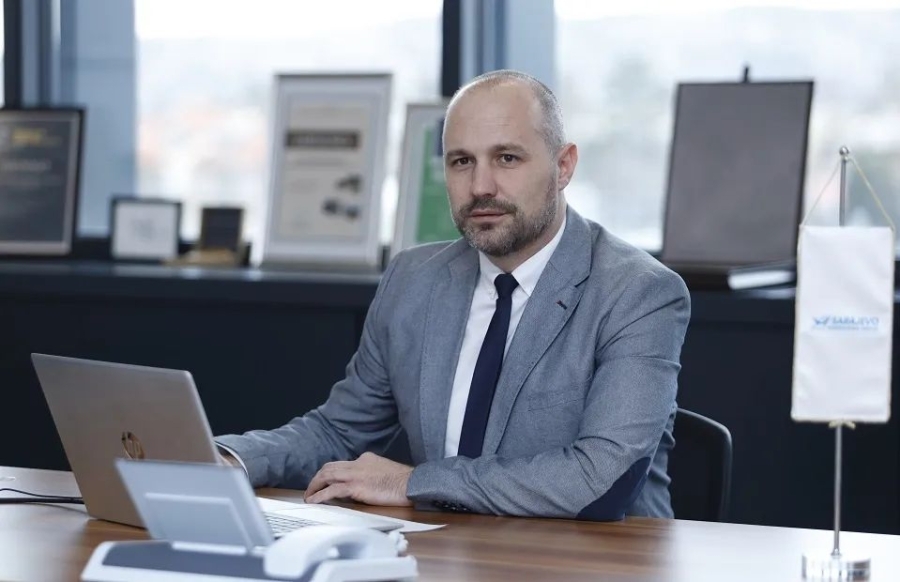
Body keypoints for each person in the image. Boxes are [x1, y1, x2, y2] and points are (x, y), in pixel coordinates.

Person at [217, 69, 690, 520]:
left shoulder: (638, 292)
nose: (480, 187)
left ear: (563, 166)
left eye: (507, 158)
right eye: (461, 161)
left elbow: (599, 479)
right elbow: (339, 431)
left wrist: (414, 483)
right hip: (444, 550)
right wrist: (226, 458)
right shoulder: (413, 279)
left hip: (592, 558)